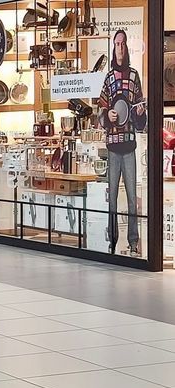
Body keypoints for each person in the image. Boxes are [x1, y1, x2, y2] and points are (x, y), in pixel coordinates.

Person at [98, 29, 146, 257]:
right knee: (113, 199)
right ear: (113, 47)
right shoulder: (108, 78)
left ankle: (133, 242)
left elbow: (139, 116)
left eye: (123, 44)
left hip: (129, 146)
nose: (119, 48)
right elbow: (101, 110)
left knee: (131, 199)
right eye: (116, 44)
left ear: (127, 47)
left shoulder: (134, 76)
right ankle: (113, 239)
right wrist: (108, 116)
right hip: (112, 146)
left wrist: (140, 112)